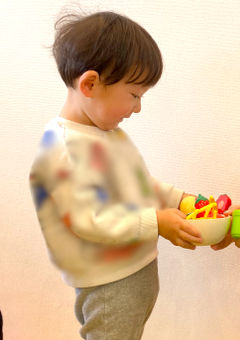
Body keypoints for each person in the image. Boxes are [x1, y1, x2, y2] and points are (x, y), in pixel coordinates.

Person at [29, 11, 204, 339]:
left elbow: (138, 185)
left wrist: (180, 199)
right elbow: (86, 219)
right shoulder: (62, 149)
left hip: (135, 274)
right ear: (90, 84)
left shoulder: (106, 134)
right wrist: (157, 222)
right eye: (134, 94)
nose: (137, 108)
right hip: (108, 285)